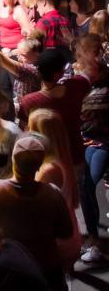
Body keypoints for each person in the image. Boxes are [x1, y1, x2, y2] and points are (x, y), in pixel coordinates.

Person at [0, 134, 73, 290]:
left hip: (7, 267)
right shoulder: (52, 193)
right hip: (45, 266)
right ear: (39, 166)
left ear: (13, 161)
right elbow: (66, 232)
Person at [27, 108, 81, 268]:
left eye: (30, 129)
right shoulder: (61, 158)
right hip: (68, 235)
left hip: (55, 244)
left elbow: (32, 209)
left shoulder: (48, 169)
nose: (26, 132)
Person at [18, 48, 89, 168]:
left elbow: (24, 131)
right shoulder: (77, 85)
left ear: (38, 71)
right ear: (60, 73)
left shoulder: (28, 101)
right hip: (75, 156)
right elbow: (88, 73)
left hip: (46, 162)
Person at [78, 62, 109, 263]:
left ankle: (95, 241)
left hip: (103, 145)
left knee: (88, 187)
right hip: (91, 143)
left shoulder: (101, 91)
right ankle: (93, 238)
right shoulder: (91, 90)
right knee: (86, 188)